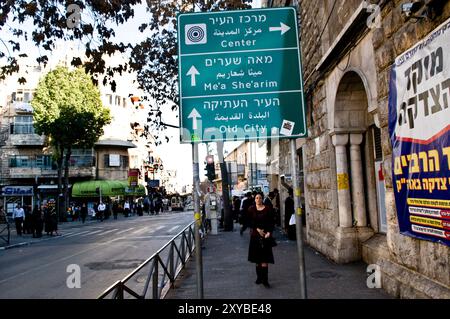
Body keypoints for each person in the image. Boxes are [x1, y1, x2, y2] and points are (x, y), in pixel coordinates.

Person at [247, 192, 275, 288]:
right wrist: (257, 229)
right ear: (254, 199)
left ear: (262, 199)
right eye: (256, 198)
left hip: (265, 237)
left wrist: (269, 233)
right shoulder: (251, 209)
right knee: (257, 260)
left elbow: (271, 222)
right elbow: (249, 222)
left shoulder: (267, 209)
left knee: (264, 260)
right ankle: (259, 277)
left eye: (260, 198)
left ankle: (265, 280)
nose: (258, 199)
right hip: (255, 236)